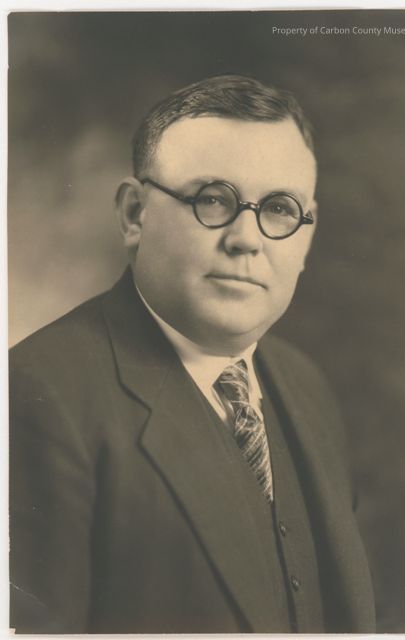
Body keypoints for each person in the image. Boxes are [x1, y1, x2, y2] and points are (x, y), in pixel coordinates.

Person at [9, 74, 375, 634]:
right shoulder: (36, 397)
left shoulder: (304, 384)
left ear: (307, 234)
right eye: (213, 199)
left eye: (280, 208)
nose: (247, 239)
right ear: (135, 214)